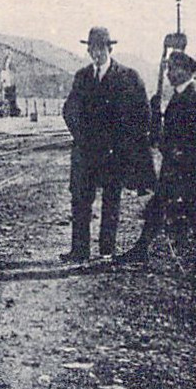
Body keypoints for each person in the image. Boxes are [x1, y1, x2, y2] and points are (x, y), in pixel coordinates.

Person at [117, 50, 196, 273]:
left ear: (185, 71)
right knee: (158, 205)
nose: (169, 73)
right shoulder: (178, 96)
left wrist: (181, 151)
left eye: (173, 69)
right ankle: (142, 249)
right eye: (168, 68)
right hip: (173, 164)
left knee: (195, 208)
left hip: (189, 165)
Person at [60, 25, 151, 262]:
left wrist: (125, 143)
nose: (95, 53)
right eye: (91, 49)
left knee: (111, 200)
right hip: (86, 152)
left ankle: (106, 251)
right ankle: (79, 250)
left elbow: (142, 115)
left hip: (114, 153)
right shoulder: (82, 77)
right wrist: (81, 136)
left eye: (100, 48)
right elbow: (69, 110)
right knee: (80, 200)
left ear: (109, 48)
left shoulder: (128, 77)